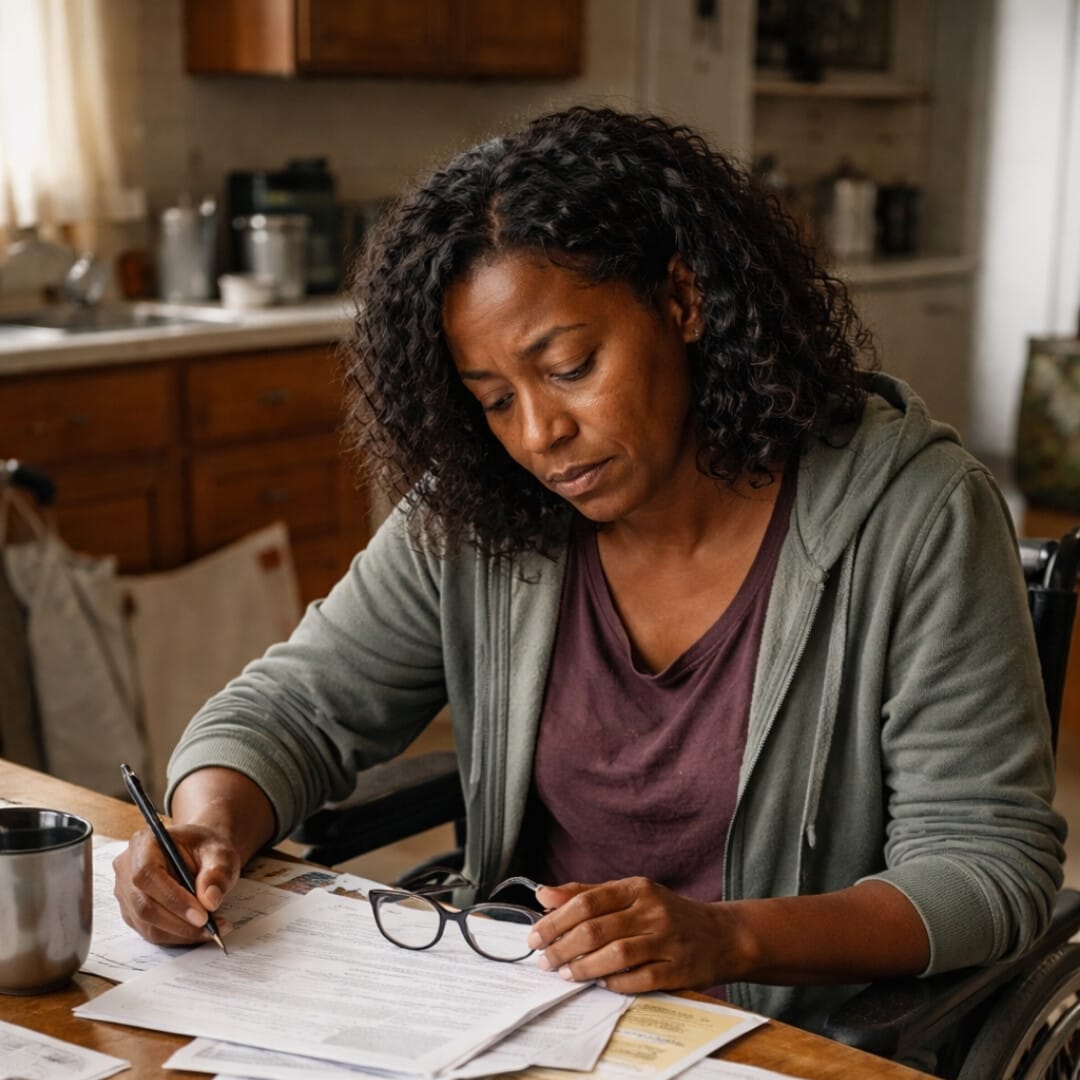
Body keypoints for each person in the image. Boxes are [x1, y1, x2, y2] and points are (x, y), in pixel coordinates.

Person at [113, 106, 1065, 1038]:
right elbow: (295, 707)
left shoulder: (915, 515)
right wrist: (204, 828)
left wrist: (724, 938)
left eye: (569, 366)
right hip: (522, 1023)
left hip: (786, 1041)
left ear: (684, 301)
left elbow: (985, 870)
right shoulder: (485, 511)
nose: (539, 435)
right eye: (493, 399)